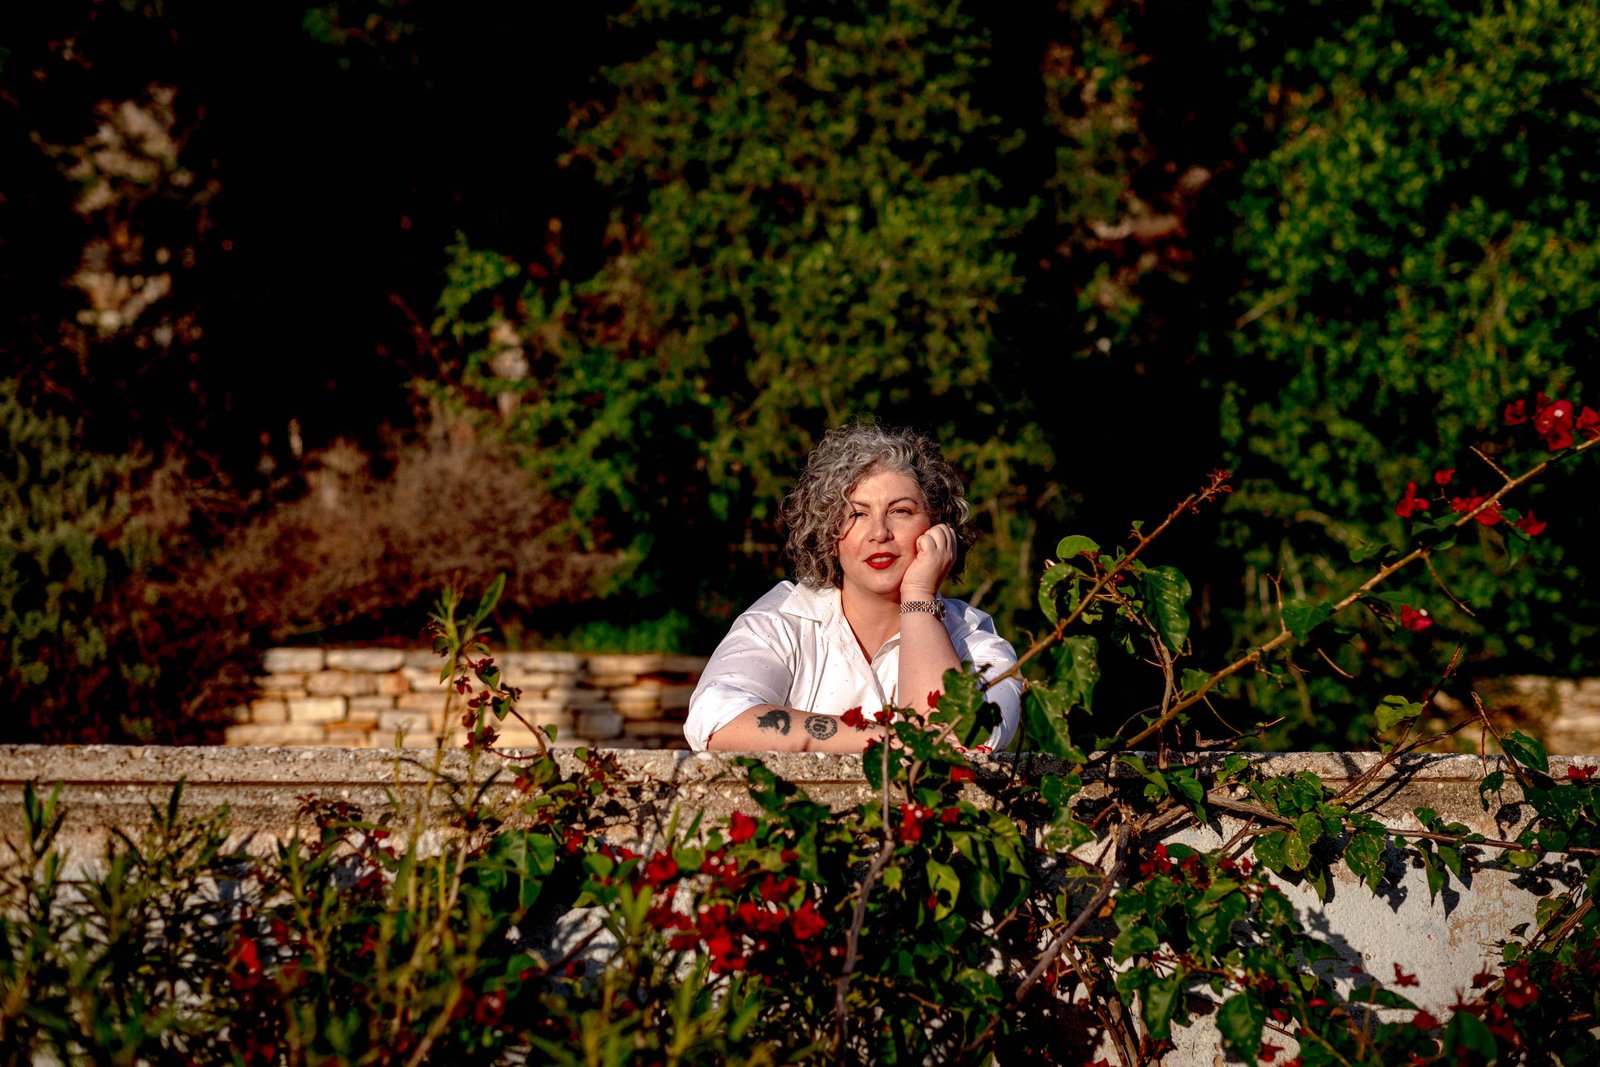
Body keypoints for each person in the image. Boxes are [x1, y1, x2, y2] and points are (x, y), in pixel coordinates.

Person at [684, 421, 1022, 752]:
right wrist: (888, 740)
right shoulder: (784, 620)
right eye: (857, 514)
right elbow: (714, 716)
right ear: (828, 534)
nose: (879, 533)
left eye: (901, 511)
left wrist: (918, 596)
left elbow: (963, 739)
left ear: (938, 526)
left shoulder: (975, 642)